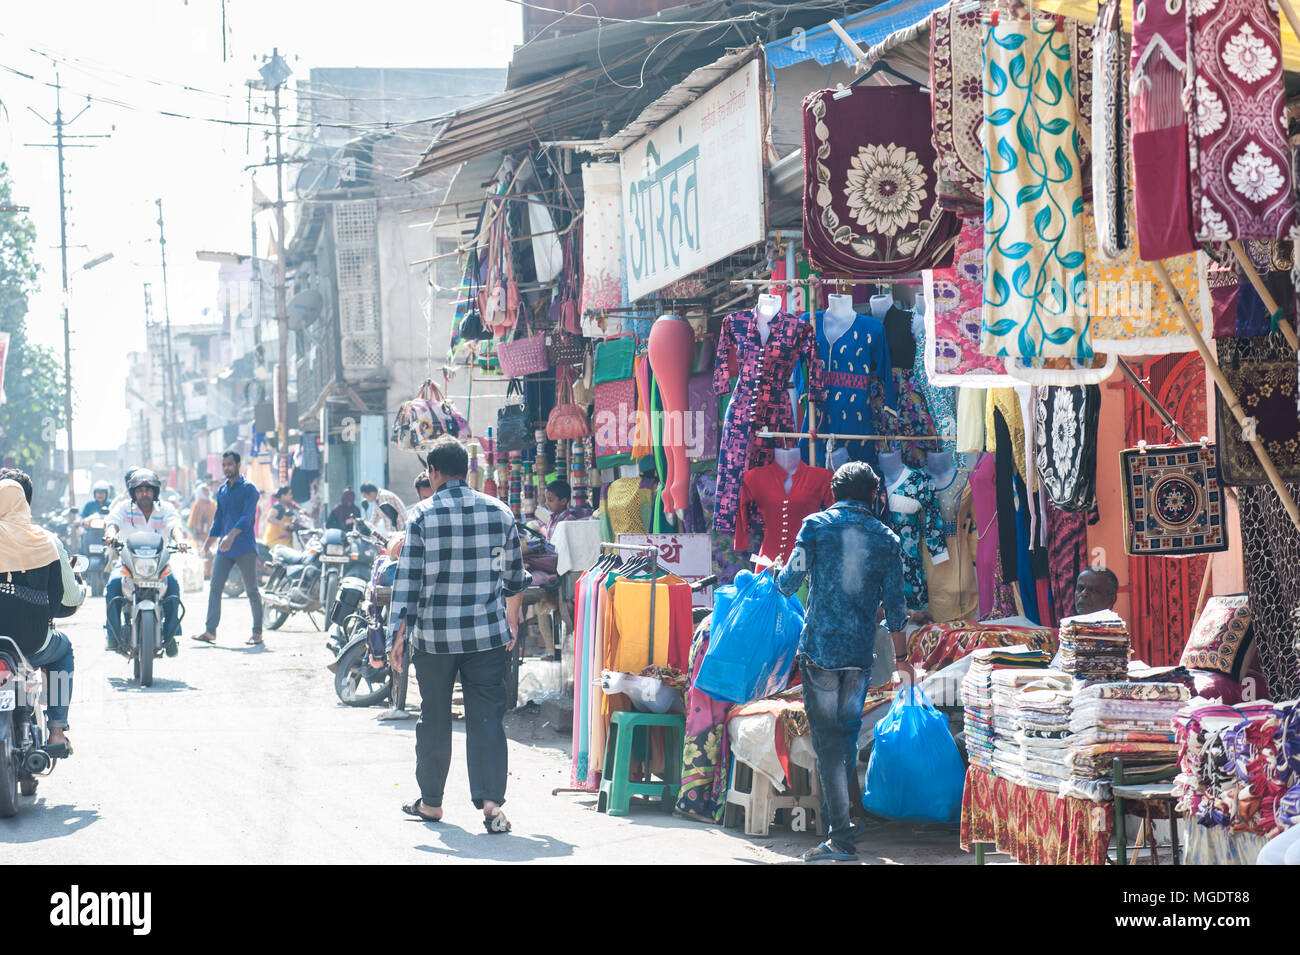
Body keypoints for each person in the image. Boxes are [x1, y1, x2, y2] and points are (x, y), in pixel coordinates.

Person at [772, 461, 910, 863]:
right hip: (858, 656)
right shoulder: (887, 538)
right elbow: (897, 611)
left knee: (829, 744)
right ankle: (846, 820)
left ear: (834, 492)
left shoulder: (815, 527)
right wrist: (902, 659)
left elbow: (788, 582)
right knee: (845, 738)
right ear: (873, 495)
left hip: (820, 653)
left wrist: (775, 576)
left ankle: (841, 838)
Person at [390, 436, 527, 833]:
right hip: (487, 637)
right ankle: (490, 802)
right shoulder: (500, 513)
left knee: (433, 716)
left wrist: (395, 637)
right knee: (486, 715)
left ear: (433, 473)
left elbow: (407, 585)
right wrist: (510, 623)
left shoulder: (420, 517)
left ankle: (431, 803)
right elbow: (514, 579)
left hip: (435, 641)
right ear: (466, 470)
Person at [0, 468, 82, 755]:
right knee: (64, 650)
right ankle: (57, 731)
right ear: (25, 504)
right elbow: (68, 600)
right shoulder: (46, 542)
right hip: (34, 645)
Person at [104, 469, 188, 656]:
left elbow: (175, 526)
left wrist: (180, 540)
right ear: (133, 492)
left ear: (155, 492)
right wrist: (110, 535)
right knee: (113, 586)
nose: (144, 493)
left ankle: (171, 634)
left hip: (158, 565)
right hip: (128, 564)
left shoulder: (165, 509)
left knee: (173, 586)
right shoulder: (124, 509)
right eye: (140, 490)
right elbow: (113, 523)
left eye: (148, 490)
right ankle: (112, 635)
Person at [191, 450, 263, 646]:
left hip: (244, 546)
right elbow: (218, 520)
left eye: (230, 464)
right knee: (215, 587)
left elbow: (247, 518)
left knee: (252, 590)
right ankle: (210, 631)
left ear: (238, 465)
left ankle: (257, 633)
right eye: (224, 465)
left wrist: (231, 535)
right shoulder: (222, 491)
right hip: (225, 548)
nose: (226, 468)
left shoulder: (250, 489)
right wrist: (207, 544)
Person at [261, 485, 295, 553]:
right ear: (283, 496)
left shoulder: (289, 505)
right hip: (276, 540)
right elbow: (270, 518)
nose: (292, 496)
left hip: (286, 540)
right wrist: (284, 524)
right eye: (289, 494)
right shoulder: (277, 507)